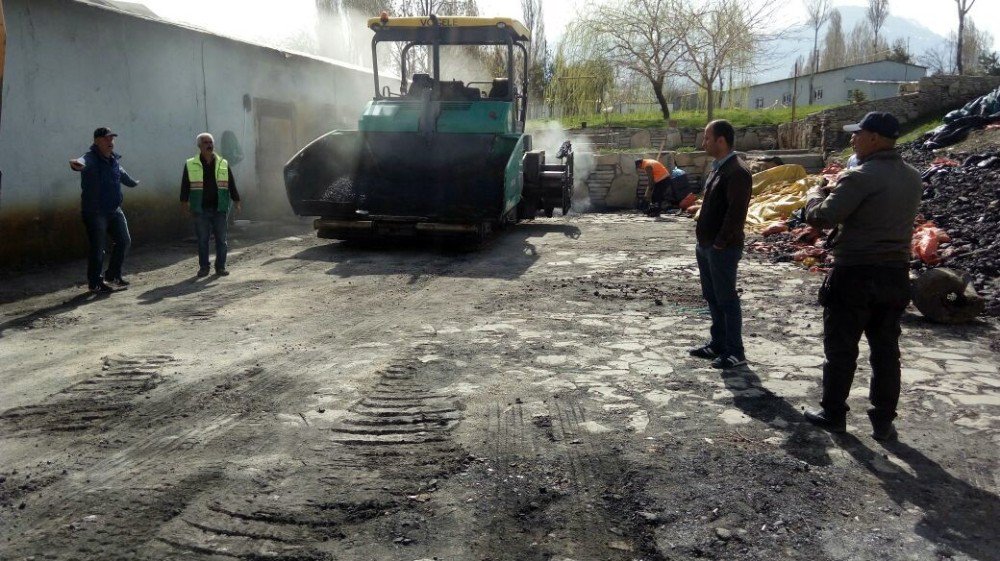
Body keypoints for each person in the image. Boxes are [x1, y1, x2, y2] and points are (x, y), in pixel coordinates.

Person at [802, 112, 922, 441]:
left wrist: (816, 192)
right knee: (886, 350)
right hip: (895, 274)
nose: (853, 139)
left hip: (855, 273)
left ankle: (834, 412)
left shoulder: (859, 176)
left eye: (858, 134)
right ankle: (883, 420)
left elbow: (822, 217)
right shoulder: (913, 177)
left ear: (874, 138)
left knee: (841, 348)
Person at [688, 120, 752, 369]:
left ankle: (735, 351)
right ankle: (718, 343)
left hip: (721, 248)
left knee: (726, 298)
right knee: (712, 296)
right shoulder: (719, 168)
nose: (703, 143)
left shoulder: (737, 171)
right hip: (707, 245)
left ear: (721, 140)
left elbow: (736, 213)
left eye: (707, 138)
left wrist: (720, 243)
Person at [69, 127, 140, 293]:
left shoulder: (113, 160)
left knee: (124, 241)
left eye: (112, 139)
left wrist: (133, 182)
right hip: (94, 212)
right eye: (106, 139)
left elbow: (122, 175)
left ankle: (113, 275)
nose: (110, 142)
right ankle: (95, 283)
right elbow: (81, 162)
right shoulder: (90, 158)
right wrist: (76, 165)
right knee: (98, 248)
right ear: (96, 141)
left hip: (114, 210)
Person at [180, 132, 241, 277]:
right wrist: (184, 202)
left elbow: (231, 183)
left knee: (221, 239)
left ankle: (220, 267)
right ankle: (204, 267)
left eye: (211, 142)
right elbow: (185, 185)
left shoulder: (223, 163)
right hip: (200, 208)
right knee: (203, 240)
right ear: (199, 146)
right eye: (206, 142)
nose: (209, 145)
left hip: (219, 207)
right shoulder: (190, 164)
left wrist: (237, 200)